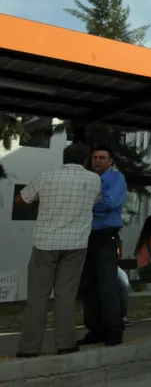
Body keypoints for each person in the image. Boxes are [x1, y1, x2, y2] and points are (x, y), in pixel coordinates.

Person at [15, 143, 101, 358]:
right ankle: (66, 344)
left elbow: (21, 199)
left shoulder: (46, 176)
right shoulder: (94, 180)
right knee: (66, 296)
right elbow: (94, 202)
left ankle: (29, 348)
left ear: (64, 159)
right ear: (85, 160)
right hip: (76, 245)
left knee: (38, 296)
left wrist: (40, 204)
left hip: (45, 243)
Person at [77, 145, 127, 347]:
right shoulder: (86, 179)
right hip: (84, 237)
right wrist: (96, 199)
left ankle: (114, 330)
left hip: (106, 238)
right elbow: (87, 202)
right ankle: (96, 330)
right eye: (95, 157)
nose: (97, 160)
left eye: (102, 157)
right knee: (88, 287)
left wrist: (87, 200)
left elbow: (110, 202)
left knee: (108, 286)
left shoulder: (116, 178)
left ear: (110, 161)